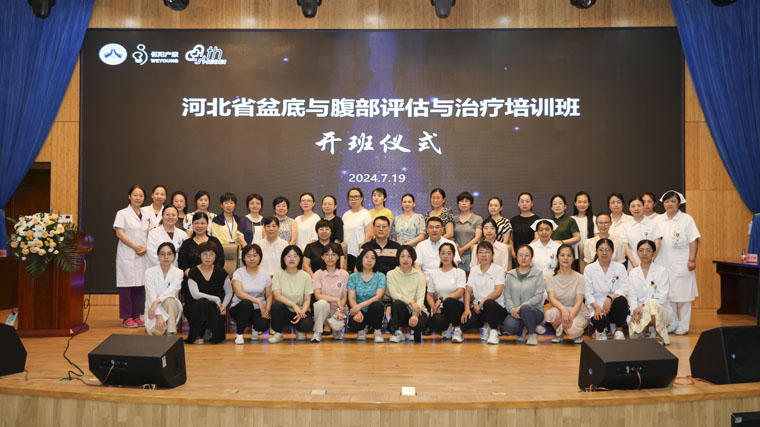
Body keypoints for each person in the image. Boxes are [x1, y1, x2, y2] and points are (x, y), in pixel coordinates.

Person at [655, 190, 701, 335]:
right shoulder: (658, 220)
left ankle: (683, 325)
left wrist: (692, 259)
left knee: (684, 296)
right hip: (663, 263)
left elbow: (694, 240)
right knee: (668, 296)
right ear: (663, 204)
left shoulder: (686, 219)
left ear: (679, 203)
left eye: (673, 201)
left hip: (682, 264)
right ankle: (672, 323)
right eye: (667, 201)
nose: (670, 204)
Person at [114, 185, 150, 328]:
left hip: (142, 254)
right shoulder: (122, 213)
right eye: (135, 195)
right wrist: (135, 247)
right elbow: (119, 233)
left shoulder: (146, 214)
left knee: (139, 287)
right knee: (126, 287)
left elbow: (149, 232)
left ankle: (136, 315)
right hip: (128, 253)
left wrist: (145, 247)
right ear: (129, 196)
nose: (138, 198)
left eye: (141, 196)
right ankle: (127, 317)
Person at [184, 241, 232, 344]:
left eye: (211, 254)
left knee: (218, 338)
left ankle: (209, 330)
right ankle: (197, 334)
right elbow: (195, 295)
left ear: (215, 256)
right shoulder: (193, 271)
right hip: (194, 306)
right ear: (199, 255)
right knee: (203, 302)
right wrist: (217, 299)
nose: (208, 257)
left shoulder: (221, 272)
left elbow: (229, 292)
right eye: (205, 254)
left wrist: (223, 306)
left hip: (214, 308)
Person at [627, 240, 672, 345]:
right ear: (637, 253)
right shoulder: (633, 273)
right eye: (641, 250)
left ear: (653, 253)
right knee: (634, 338)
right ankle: (647, 329)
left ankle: (659, 335)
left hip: (661, 310)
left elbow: (662, 296)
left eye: (648, 250)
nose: (644, 253)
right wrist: (635, 311)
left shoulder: (661, 271)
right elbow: (631, 296)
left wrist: (643, 306)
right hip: (639, 311)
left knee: (652, 305)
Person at [461, 241, 507, 345]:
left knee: (489, 303)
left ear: (492, 254)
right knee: (467, 320)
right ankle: (486, 326)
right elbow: (468, 291)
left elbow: (498, 292)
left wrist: (481, 303)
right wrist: (467, 309)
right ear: (477, 255)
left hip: (496, 308)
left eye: (487, 252)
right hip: (479, 309)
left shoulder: (498, 269)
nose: (483, 255)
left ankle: (494, 331)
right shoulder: (474, 270)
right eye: (480, 252)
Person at [584, 238, 630, 340]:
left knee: (621, 300)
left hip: (615, 304)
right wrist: (597, 308)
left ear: (612, 252)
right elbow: (587, 293)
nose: (604, 253)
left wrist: (610, 298)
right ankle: (601, 331)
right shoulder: (589, 269)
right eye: (601, 249)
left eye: (608, 249)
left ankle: (618, 331)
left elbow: (624, 288)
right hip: (597, 304)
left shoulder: (620, 267)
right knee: (600, 321)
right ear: (596, 251)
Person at [269, 245, 314, 343]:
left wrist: (301, 312)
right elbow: (277, 296)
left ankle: (300, 330)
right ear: (283, 258)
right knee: (276, 306)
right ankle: (278, 333)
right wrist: (293, 305)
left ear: (300, 259)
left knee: (306, 325)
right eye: (288, 256)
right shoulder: (278, 274)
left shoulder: (306, 276)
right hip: (285, 311)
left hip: (300, 311)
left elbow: (307, 300)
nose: (292, 259)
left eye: (295, 256)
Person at [544, 244, 588, 344]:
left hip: (578, 311)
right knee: (550, 314)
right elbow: (552, 298)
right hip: (561, 311)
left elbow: (579, 302)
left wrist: (570, 317)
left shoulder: (580, 278)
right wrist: (564, 310)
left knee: (572, 331)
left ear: (573, 259)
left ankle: (575, 333)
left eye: (569, 255)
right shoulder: (550, 277)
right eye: (562, 255)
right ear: (557, 258)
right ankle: (559, 333)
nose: (565, 258)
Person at [503, 244, 546, 345]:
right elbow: (507, 296)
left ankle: (532, 334)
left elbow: (538, 297)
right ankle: (522, 331)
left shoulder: (538, 274)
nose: (523, 258)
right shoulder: (510, 274)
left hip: (534, 311)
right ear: (516, 257)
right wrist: (512, 310)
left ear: (531, 257)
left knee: (526, 308)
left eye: (527, 255)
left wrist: (521, 307)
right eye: (520, 255)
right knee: (509, 326)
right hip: (515, 312)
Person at [230, 244, 272, 344]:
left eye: (255, 255)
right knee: (246, 303)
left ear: (260, 257)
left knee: (263, 325)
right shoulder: (238, 273)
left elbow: (269, 295)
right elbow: (239, 293)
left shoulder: (265, 274)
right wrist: (258, 301)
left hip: (258, 309)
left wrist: (267, 310)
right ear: (244, 258)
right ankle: (239, 335)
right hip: (239, 307)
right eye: (248, 256)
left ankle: (255, 328)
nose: (252, 259)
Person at [387, 246, 429, 343]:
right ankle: (398, 332)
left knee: (419, 329)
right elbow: (394, 294)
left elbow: (421, 296)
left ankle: (414, 331)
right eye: (402, 256)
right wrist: (411, 302)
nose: (405, 260)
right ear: (398, 258)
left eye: (409, 256)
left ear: (413, 258)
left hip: (418, 309)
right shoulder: (391, 274)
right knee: (397, 303)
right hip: (402, 310)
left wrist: (415, 313)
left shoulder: (419, 275)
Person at [426, 243, 466, 343]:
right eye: (443, 253)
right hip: (441, 308)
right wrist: (433, 307)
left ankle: (457, 330)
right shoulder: (434, 273)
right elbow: (429, 294)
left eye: (449, 253)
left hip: (456, 307)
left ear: (453, 255)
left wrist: (442, 300)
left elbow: (460, 293)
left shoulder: (459, 272)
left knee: (449, 301)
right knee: (436, 320)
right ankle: (447, 328)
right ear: (439, 255)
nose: (445, 256)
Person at [311, 243, 350, 342]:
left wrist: (340, 309)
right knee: (321, 303)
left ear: (338, 257)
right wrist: (336, 299)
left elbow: (344, 296)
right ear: (322, 257)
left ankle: (337, 331)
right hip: (323, 311)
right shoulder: (318, 274)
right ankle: (317, 333)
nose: (330, 258)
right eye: (327, 255)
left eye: (333, 255)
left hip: (338, 310)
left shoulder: (344, 274)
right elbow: (317, 296)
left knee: (337, 330)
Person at [347, 248, 387, 342]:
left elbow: (378, 296)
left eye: (373, 258)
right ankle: (361, 330)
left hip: (374, 310)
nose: (369, 260)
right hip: (359, 311)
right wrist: (357, 310)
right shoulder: (353, 277)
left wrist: (359, 306)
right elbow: (351, 298)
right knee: (353, 324)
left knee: (376, 305)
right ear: (361, 259)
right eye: (366, 257)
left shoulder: (380, 276)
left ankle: (377, 331)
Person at [143, 242, 183, 336]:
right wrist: (158, 316)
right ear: (158, 256)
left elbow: (173, 290)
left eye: (169, 254)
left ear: (174, 256)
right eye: (162, 254)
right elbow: (151, 295)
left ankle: (170, 332)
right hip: (153, 308)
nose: (166, 257)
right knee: (156, 333)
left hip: (171, 308)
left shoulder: (178, 272)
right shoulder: (149, 272)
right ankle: (168, 329)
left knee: (169, 300)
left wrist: (157, 301)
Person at [177, 212, 225, 277]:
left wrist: (210, 275)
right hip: (191, 277)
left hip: (212, 277)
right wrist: (191, 275)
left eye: (202, 223)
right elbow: (182, 263)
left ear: (207, 224)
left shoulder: (214, 241)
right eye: (196, 223)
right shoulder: (187, 243)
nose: (199, 226)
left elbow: (220, 261)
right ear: (192, 224)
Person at [621, 195, 662, 270]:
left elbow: (657, 242)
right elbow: (625, 245)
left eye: (639, 206)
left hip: (651, 263)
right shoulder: (626, 226)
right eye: (633, 206)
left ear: (643, 206)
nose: (636, 209)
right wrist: (633, 261)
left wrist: (652, 258)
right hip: (634, 264)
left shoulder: (653, 224)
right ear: (629, 208)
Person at [342, 187, 373, 272]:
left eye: (356, 197)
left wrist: (362, 252)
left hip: (359, 253)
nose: (353, 199)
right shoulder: (345, 214)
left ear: (361, 198)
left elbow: (369, 235)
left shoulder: (366, 214)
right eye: (351, 197)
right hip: (346, 254)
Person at [453, 191, 483, 273]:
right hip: (457, 254)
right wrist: (457, 250)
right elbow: (451, 236)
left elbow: (478, 237)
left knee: (471, 276)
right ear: (458, 204)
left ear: (471, 204)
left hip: (472, 254)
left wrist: (463, 249)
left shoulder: (477, 219)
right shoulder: (454, 219)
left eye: (466, 201)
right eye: (461, 201)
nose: (464, 203)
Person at [510, 192, 539, 259]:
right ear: (518, 204)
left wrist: (526, 252)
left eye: (527, 201)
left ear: (532, 203)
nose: (524, 204)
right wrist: (513, 253)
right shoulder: (513, 220)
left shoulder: (537, 220)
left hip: (532, 255)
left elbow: (537, 239)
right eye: (522, 201)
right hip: (516, 256)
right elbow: (510, 239)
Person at [572, 191, 597, 259]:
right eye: (579, 202)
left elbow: (596, 238)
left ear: (588, 204)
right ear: (575, 203)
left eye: (585, 202)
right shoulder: (571, 219)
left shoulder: (594, 219)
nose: (582, 204)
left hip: (590, 256)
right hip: (573, 256)